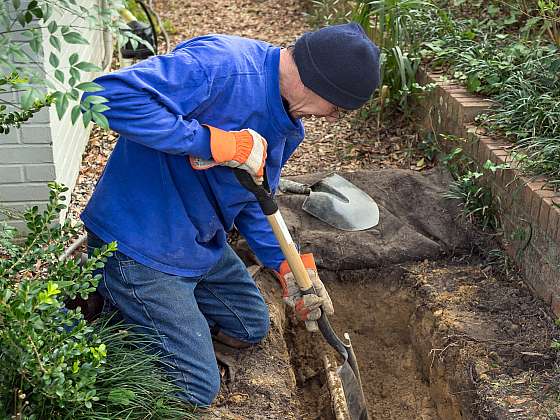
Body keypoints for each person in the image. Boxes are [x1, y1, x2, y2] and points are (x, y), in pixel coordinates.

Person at [82, 22, 380, 407]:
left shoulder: (289, 126)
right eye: (337, 108)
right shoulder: (220, 66)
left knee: (250, 326)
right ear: (317, 83)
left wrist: (292, 270)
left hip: (196, 242)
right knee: (194, 389)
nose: (333, 118)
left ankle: (159, 318)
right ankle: (111, 317)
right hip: (140, 242)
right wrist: (210, 141)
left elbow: (257, 200)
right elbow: (102, 97)